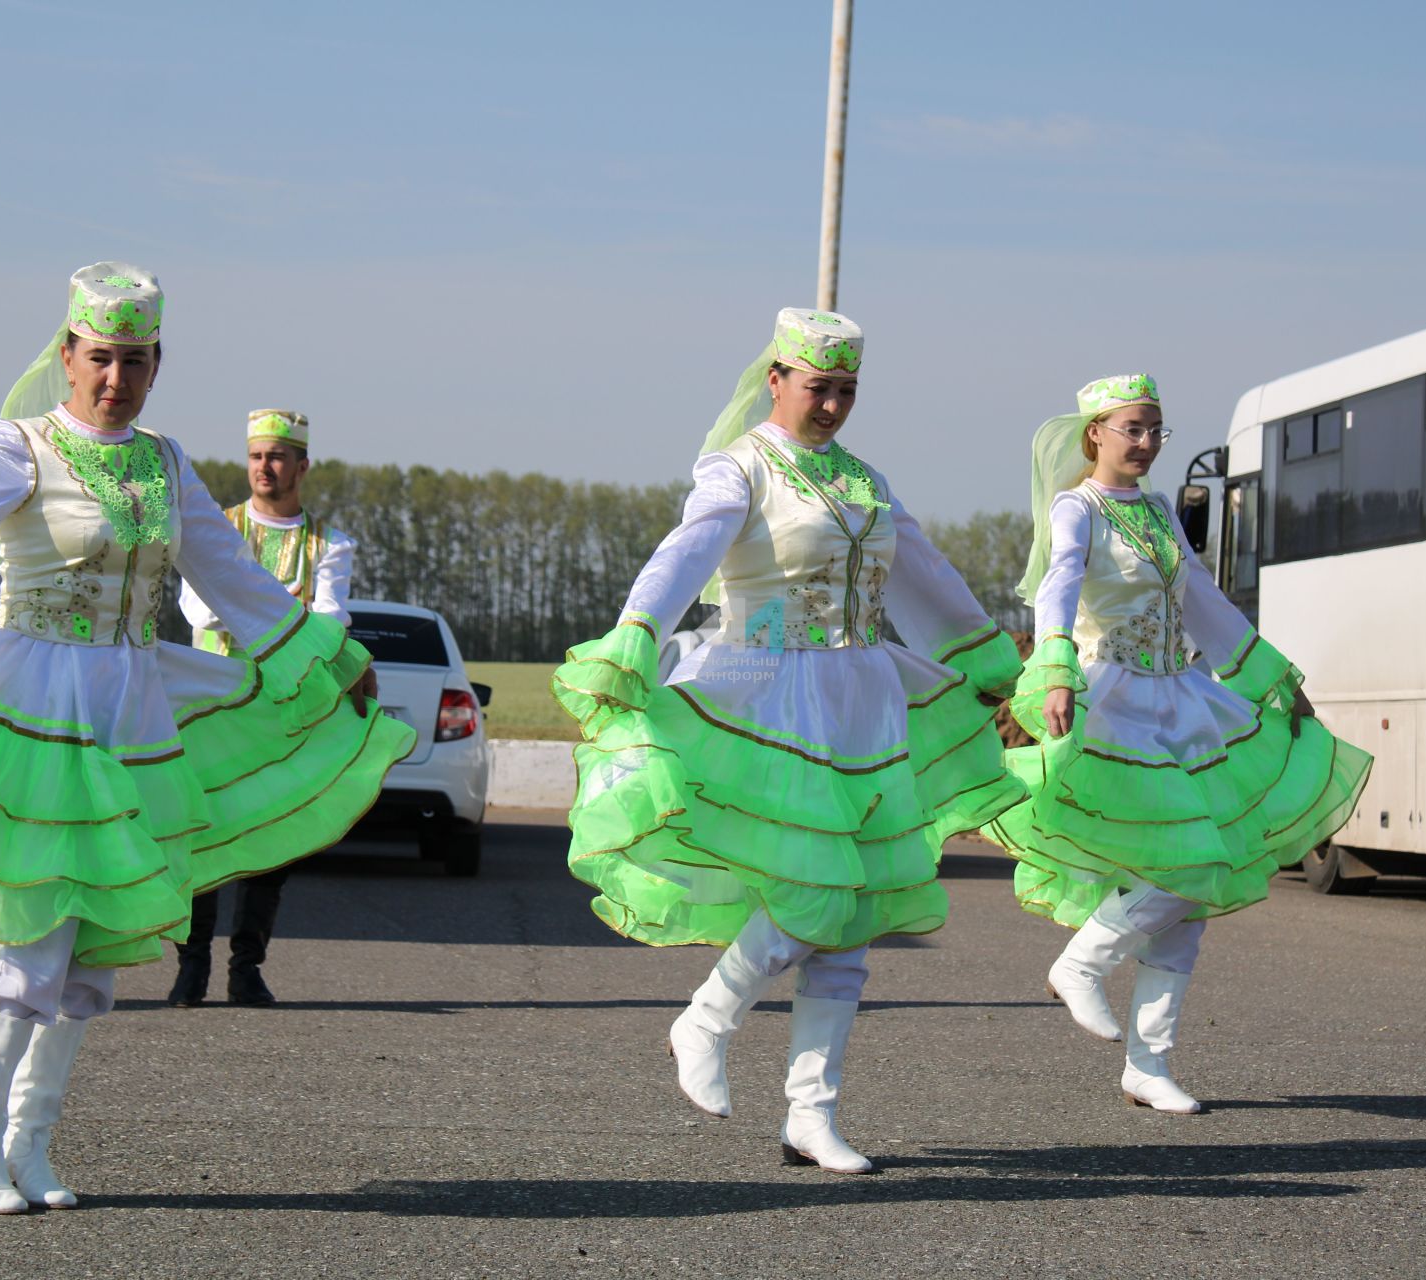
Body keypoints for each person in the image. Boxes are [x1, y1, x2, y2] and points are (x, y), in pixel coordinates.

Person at [0, 263, 415, 1213]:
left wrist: (328, 653)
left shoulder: (162, 463)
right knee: (34, 927)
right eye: (99, 358)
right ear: (68, 356)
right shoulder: (22, 446)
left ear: (156, 365)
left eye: (134, 360)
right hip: (33, 698)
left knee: (94, 947)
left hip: (131, 704)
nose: (114, 377)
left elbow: (232, 575)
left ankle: (31, 1143)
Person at [552, 308, 1025, 1173]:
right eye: (820, 388)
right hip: (763, 693)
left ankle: (812, 1114)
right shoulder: (740, 467)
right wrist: (634, 630)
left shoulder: (866, 481)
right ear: (776, 379)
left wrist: (980, 649)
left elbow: (924, 571)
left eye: (848, 390)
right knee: (815, 889)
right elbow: (685, 554)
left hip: (861, 699)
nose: (835, 406)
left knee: (851, 915)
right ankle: (709, 1016)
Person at [987, 374, 1372, 1114]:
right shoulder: (1080, 507)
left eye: (1156, 429)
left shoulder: (1160, 511)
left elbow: (1202, 598)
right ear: (1094, 432)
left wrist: (1267, 676)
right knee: (1189, 863)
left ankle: (1149, 1063)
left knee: (1190, 896)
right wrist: (1056, 669)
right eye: (1132, 427)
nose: (1146, 443)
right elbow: (1058, 588)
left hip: (1181, 701)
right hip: (1114, 702)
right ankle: (1083, 962)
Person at [171, 408, 357, 1007]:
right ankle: (191, 965)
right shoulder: (215, 528)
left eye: (277, 456)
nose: (264, 467)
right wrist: (284, 613)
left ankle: (246, 967)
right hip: (211, 702)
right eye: (256, 456)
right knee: (200, 831)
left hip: (279, 707)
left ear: (301, 466)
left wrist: (256, 610)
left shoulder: (329, 544)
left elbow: (328, 620)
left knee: (269, 834)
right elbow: (199, 609)